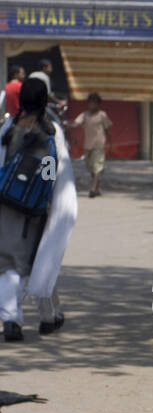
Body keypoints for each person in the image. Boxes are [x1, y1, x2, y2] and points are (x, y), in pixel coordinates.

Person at [0, 78, 77, 342]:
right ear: (45, 101)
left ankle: (11, 317)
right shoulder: (52, 131)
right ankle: (47, 316)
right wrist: (49, 200)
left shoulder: (8, 128)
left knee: (8, 262)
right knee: (41, 260)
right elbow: (56, 172)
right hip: (36, 210)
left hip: (6, 206)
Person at [69, 92, 112, 197]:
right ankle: (97, 187)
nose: (92, 105)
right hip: (88, 145)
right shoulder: (85, 115)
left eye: (94, 103)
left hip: (99, 144)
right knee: (90, 167)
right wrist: (68, 125)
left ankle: (93, 188)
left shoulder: (102, 115)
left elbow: (107, 129)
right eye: (90, 103)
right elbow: (76, 123)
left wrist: (110, 143)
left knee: (97, 166)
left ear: (98, 104)